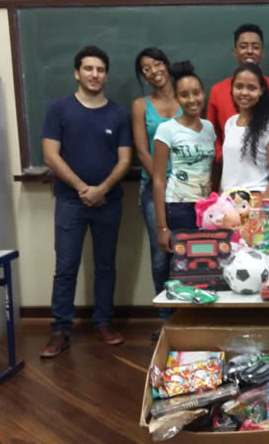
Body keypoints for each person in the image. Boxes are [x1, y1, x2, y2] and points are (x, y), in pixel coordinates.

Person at [40, 45, 132, 358]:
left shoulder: (118, 114)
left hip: (109, 201)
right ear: (77, 73)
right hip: (70, 202)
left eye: (100, 69)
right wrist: (83, 188)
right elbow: (50, 155)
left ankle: (103, 322)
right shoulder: (59, 109)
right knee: (66, 267)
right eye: (89, 69)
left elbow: (125, 160)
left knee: (105, 266)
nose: (95, 74)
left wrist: (101, 189)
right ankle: (60, 329)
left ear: (106, 75)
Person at [130, 47, 181, 330]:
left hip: (188, 190)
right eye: (146, 69)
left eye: (157, 64)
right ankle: (165, 320)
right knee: (161, 254)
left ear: (167, 64)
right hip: (154, 187)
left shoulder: (187, 96)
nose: (153, 71)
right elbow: (141, 149)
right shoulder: (141, 105)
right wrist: (163, 181)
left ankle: (186, 316)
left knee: (187, 253)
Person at [207, 23, 269, 187]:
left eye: (255, 47)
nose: (249, 51)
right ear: (235, 52)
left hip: (265, 182)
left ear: (262, 52)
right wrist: (222, 155)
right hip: (228, 178)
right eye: (243, 46)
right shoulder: (217, 91)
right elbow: (212, 134)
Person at [152, 60, 215, 261]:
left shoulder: (209, 128)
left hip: (207, 207)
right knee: (184, 266)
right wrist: (162, 227)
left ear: (203, 93)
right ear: (177, 98)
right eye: (184, 95)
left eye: (196, 93)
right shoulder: (166, 130)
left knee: (207, 264)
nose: (192, 100)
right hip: (179, 207)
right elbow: (158, 180)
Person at [219, 63, 269, 200]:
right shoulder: (230, 123)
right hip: (228, 202)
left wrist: (259, 207)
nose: (244, 92)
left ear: (261, 90)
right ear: (232, 88)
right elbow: (228, 172)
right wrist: (219, 201)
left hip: (254, 201)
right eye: (239, 86)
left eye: (252, 88)